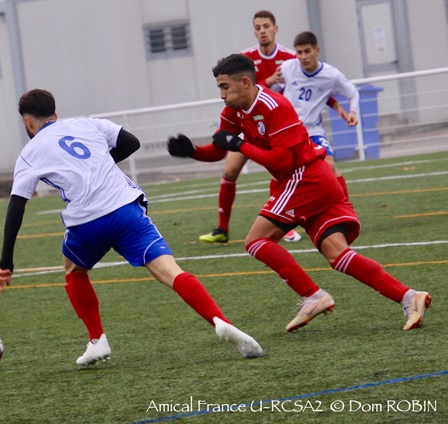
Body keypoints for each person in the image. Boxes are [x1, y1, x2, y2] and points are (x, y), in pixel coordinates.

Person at [0, 88, 264, 366]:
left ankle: (97, 340)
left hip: (87, 221)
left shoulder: (29, 153)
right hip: (126, 209)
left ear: (27, 122)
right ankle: (220, 319)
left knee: (74, 269)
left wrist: (6, 262)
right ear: (55, 113)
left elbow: (16, 205)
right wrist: (101, 164)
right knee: (171, 272)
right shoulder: (88, 123)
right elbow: (131, 142)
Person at [169, 54, 431, 333]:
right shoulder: (232, 112)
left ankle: (313, 295)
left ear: (245, 82)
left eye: (225, 87)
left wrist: (240, 145)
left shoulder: (275, 106)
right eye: (220, 88)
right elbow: (220, 148)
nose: (222, 95)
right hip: (311, 181)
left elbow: (282, 161)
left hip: (304, 178)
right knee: (337, 255)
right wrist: (193, 152)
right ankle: (409, 297)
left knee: (256, 241)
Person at [191, 10, 342, 245]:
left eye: (266, 26)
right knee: (230, 171)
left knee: (294, 168)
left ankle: (293, 218)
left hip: (280, 126)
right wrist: (190, 150)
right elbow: (248, 93)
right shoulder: (244, 59)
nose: (262, 31)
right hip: (250, 125)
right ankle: (222, 228)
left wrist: (338, 106)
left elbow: (314, 86)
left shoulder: (290, 58)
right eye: (257, 27)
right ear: (254, 32)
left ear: (275, 29)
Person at [280, 31, 357, 198]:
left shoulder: (331, 75)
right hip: (288, 131)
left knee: (329, 165)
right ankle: (284, 214)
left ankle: (346, 209)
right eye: (299, 52)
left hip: (312, 130)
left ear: (317, 51)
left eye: (307, 51)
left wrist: (352, 111)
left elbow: (352, 93)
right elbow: (272, 90)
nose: (303, 57)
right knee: (281, 173)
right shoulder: (288, 67)